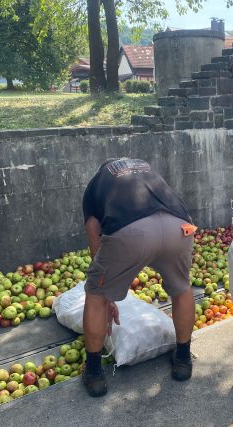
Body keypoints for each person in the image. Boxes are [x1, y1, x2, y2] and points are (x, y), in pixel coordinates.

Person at [81, 158, 197, 397]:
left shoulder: (95, 186)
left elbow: (95, 233)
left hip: (132, 231)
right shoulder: (145, 167)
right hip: (180, 226)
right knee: (182, 288)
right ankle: (183, 359)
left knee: (95, 294)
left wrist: (105, 291)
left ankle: (93, 373)